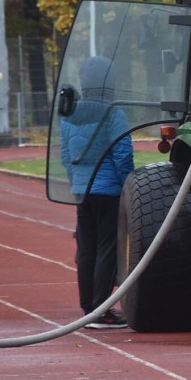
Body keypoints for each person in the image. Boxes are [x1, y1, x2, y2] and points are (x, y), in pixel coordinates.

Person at [60, 55, 134, 329]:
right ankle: (102, 309)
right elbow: (122, 154)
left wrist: (77, 181)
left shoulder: (70, 113)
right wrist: (128, 185)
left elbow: (65, 154)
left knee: (87, 248)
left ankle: (88, 306)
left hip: (82, 190)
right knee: (107, 248)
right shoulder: (114, 113)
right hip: (108, 191)